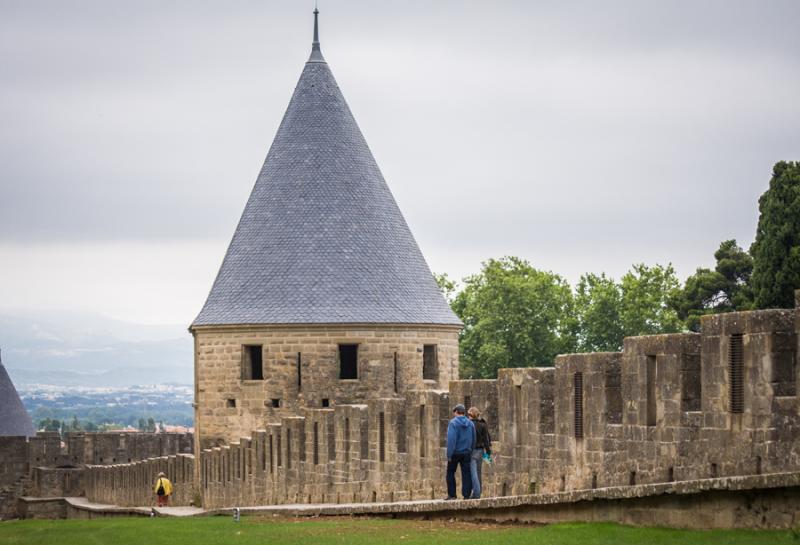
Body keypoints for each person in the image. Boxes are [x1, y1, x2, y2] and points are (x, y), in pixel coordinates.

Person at [445, 403, 475, 500]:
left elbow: (451, 440)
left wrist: (449, 454)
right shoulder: (470, 423)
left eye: (454, 413)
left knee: (450, 472)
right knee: (466, 473)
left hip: (455, 452)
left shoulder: (453, 423)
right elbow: (474, 438)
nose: (454, 415)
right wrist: (471, 449)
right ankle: (466, 494)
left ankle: (452, 494)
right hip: (466, 452)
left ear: (457, 412)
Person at [467, 406, 492, 499]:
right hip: (481, 450)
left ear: (471, 415)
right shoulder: (483, 424)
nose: (468, 416)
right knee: (478, 472)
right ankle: (479, 491)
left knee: (473, 472)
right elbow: (486, 439)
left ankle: (476, 494)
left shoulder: (469, 425)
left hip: (472, 451)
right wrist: (488, 452)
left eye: (469, 414)